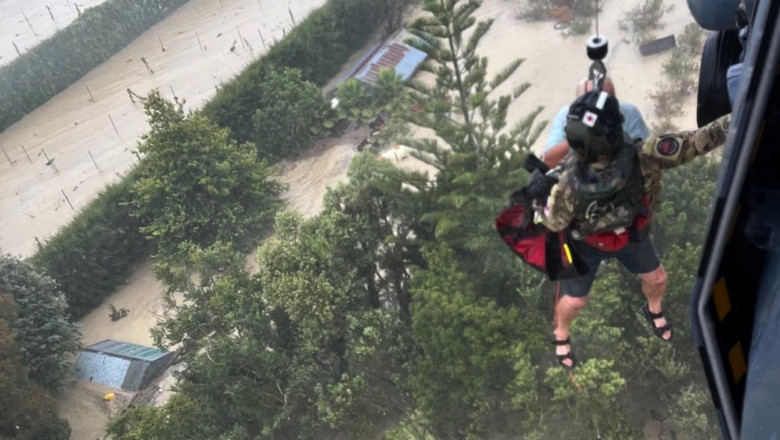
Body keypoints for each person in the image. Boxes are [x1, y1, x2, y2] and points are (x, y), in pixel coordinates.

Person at [529, 90, 730, 369]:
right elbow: (700, 140)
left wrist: (540, 199)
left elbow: (552, 223)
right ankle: (561, 331)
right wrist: (746, 113)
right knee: (574, 301)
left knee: (657, 279)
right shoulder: (644, 155)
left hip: (631, 236)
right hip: (585, 246)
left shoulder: (568, 184)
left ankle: (653, 309)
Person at [542, 77, 649, 169]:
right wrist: (578, 133)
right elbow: (550, 161)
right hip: (579, 178)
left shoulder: (628, 112)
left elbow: (646, 156)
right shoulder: (567, 116)